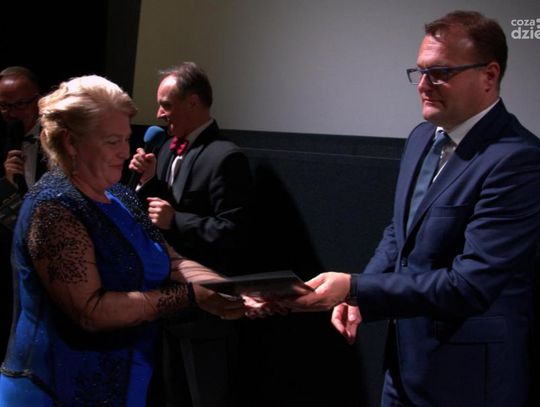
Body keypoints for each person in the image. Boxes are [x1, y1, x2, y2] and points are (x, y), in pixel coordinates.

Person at [285, 10, 540, 407]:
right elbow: (400, 233)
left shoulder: (518, 159)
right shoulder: (421, 138)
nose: (423, 85)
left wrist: (357, 287)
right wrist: (360, 294)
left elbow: (470, 284)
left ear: (489, 76)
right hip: (403, 368)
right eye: (420, 72)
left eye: (440, 73)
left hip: (469, 378)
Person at [0, 75, 246, 406]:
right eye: (112, 141)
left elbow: (171, 260)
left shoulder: (120, 196)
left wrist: (231, 289)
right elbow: (91, 311)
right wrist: (192, 296)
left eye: (126, 139)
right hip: (54, 388)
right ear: (71, 143)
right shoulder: (53, 207)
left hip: (122, 382)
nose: (125, 151)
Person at [129, 61, 253, 407]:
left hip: (206, 310)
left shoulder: (226, 156)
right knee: (171, 394)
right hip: (169, 299)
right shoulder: (166, 148)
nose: (159, 113)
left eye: (166, 105)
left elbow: (234, 231)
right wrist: (148, 181)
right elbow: (163, 209)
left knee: (205, 395)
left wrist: (177, 220)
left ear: (193, 102)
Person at [0, 66, 46, 358]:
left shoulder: (60, 137)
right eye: (4, 106)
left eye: (19, 105)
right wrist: (5, 183)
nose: (11, 113)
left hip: (46, 248)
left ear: (38, 101)